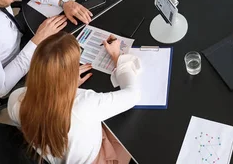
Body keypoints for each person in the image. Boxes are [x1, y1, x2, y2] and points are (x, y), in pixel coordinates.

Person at [9, 32, 141, 163]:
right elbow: (133, 94)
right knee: (134, 133)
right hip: (96, 159)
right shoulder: (86, 102)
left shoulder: (16, 99)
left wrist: (66, 87)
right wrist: (117, 57)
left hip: (52, 154)